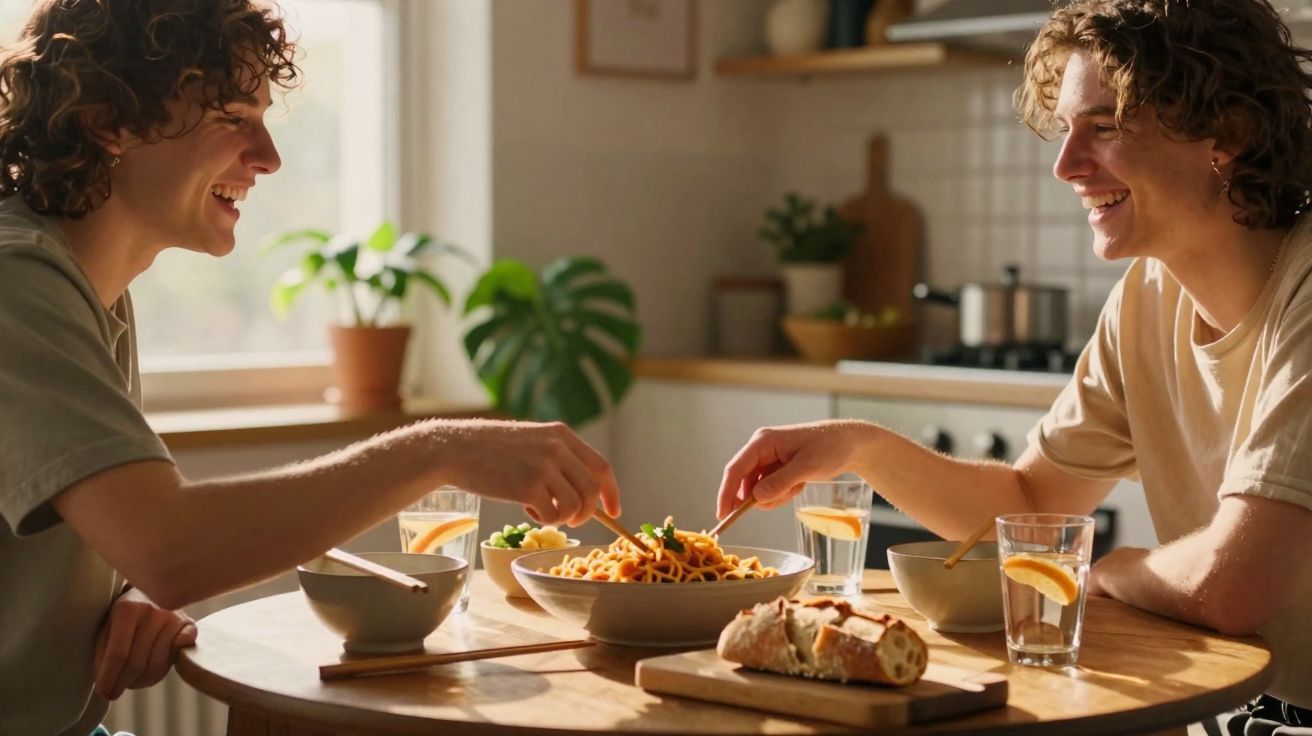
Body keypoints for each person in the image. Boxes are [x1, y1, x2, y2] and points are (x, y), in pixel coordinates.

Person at [0, 2, 621, 735]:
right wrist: (441, 449)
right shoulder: (19, 281)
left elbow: (141, 543)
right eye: (234, 115)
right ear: (109, 118)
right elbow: (171, 544)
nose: (268, 156)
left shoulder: (87, 285)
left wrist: (130, 589)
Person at [717, 0, 1312, 730]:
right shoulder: (1146, 300)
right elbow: (1033, 504)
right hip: (1242, 706)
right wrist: (858, 446)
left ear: (1228, 133)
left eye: (1106, 126)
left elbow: (1235, 584)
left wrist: (1117, 571)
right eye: (1066, 130)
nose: (1066, 166)